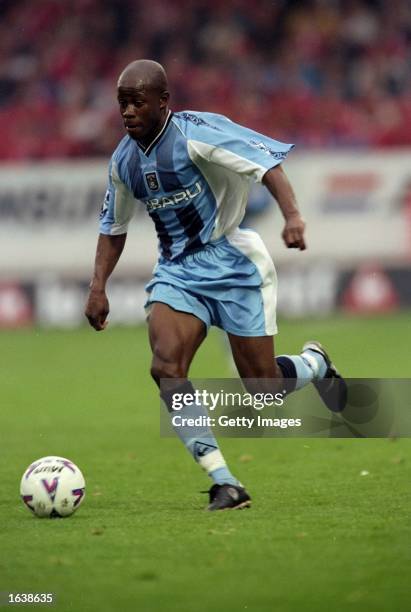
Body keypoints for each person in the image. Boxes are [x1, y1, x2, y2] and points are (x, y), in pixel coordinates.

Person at [85, 59, 346, 511]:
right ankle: (224, 481)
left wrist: (293, 217)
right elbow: (114, 226)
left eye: (136, 102)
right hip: (177, 273)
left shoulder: (197, 133)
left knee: (263, 388)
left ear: (163, 102)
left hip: (234, 263)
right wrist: (97, 286)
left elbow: (266, 166)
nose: (126, 112)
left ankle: (314, 363)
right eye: (121, 103)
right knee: (166, 367)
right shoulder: (123, 161)